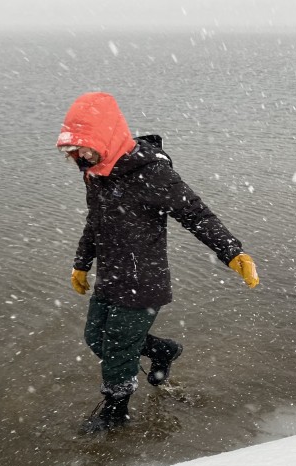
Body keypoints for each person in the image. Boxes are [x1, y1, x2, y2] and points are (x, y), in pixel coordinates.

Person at [57, 92, 259, 434]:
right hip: (111, 273)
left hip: (143, 279)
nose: (80, 156)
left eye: (85, 147)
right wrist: (82, 263)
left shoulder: (151, 172)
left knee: (118, 349)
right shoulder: (96, 173)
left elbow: (195, 213)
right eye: (74, 149)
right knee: (96, 337)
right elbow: (95, 221)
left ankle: (116, 413)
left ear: (106, 136)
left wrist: (232, 252)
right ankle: (163, 351)